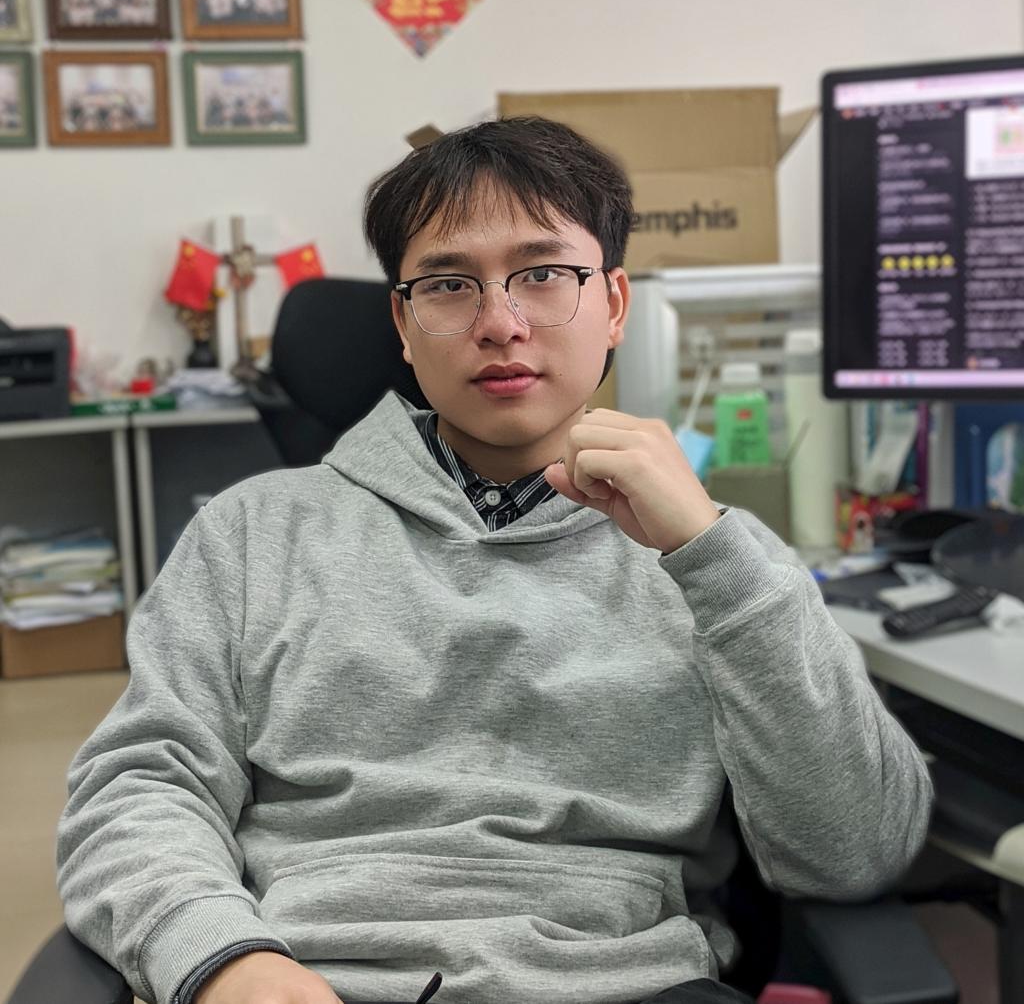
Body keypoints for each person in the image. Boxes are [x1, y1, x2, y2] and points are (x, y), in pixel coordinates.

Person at [57, 116, 932, 1004]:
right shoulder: (253, 533)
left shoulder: (716, 562)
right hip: (316, 976)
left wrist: (713, 557)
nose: (501, 324)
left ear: (615, 304)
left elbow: (855, 850)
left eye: (543, 274)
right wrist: (221, 957)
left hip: (622, 984)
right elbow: (139, 785)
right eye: (448, 285)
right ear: (403, 322)